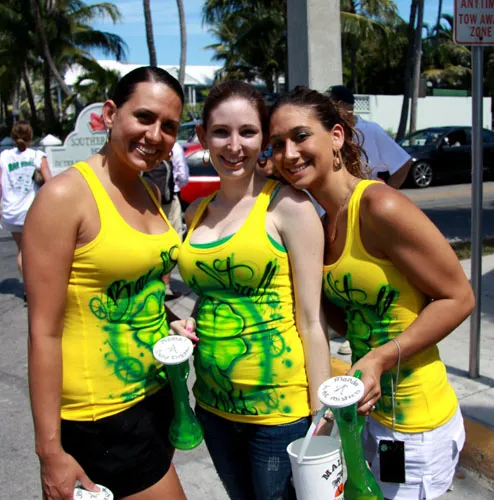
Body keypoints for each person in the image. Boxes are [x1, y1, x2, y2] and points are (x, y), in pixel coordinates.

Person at [268, 86, 474, 500]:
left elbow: (459, 298)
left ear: (336, 137)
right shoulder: (321, 225)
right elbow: (350, 320)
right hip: (369, 418)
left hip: (414, 426)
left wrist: (380, 357)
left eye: (301, 136)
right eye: (277, 144)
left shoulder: (380, 206)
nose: (288, 154)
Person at [23, 67, 187, 500]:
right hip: (100, 416)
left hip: (155, 396)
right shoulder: (65, 197)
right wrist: (50, 452)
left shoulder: (147, 190)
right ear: (110, 114)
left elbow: (135, 286)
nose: (155, 135)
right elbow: (43, 331)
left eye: (169, 126)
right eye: (144, 117)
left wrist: (171, 319)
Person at [170, 80, 331, 500]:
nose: (234, 145)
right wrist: (187, 323)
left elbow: (312, 320)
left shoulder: (288, 206)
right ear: (202, 136)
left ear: (262, 138)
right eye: (221, 132)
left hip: (278, 411)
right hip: (212, 405)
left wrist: (322, 413)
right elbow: (211, 294)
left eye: (247, 132)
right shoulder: (196, 211)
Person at [328, 85, 413, 190]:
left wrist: (386, 195)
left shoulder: (370, 129)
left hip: (361, 197)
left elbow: (403, 163)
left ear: (342, 106)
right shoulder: (325, 130)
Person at [0, 120, 51, 278]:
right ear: (30, 136)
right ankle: (39, 284)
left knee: (22, 250)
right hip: (31, 212)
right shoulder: (37, 156)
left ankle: (28, 286)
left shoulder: (4, 156)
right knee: (39, 250)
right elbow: (50, 183)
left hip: (12, 212)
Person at [143, 142, 188, 300]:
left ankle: (150, 284)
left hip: (148, 199)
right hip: (169, 199)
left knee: (151, 241)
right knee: (171, 241)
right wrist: (173, 186)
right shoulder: (174, 147)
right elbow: (183, 176)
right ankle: (166, 286)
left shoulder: (146, 145)